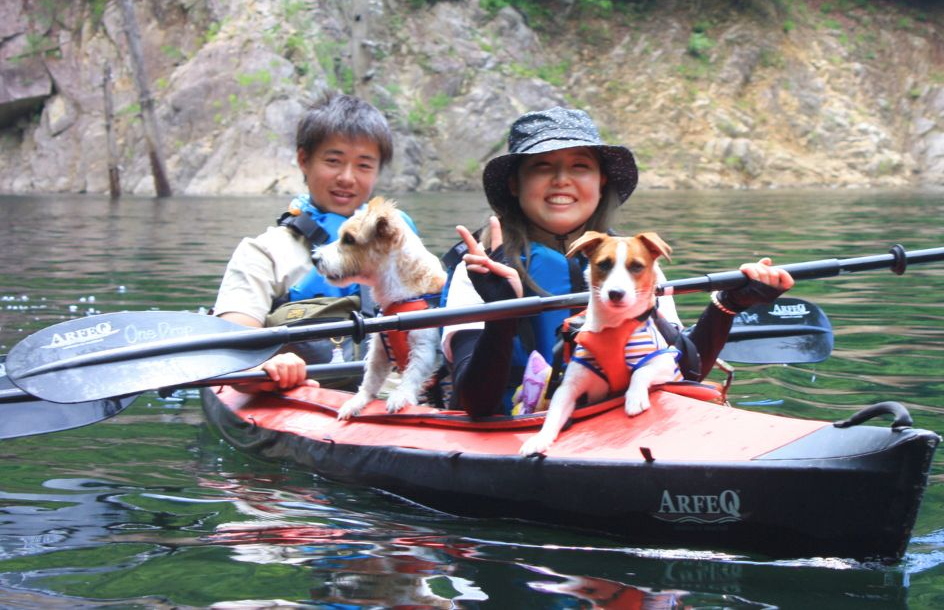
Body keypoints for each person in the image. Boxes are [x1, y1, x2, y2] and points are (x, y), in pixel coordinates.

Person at [441, 106, 795, 417]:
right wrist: (501, 313)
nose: (561, 180)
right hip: (516, 424)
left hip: (615, 418)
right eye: (542, 166)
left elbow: (683, 371)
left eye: (580, 166)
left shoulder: (634, 263)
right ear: (515, 184)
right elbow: (476, 406)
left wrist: (728, 305)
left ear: (601, 181)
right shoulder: (480, 269)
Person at [211, 91, 396, 390]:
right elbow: (232, 354)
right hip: (303, 396)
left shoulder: (398, 248)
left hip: (392, 396)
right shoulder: (262, 253)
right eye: (333, 161)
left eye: (364, 166)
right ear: (303, 160)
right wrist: (265, 368)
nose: (347, 178)